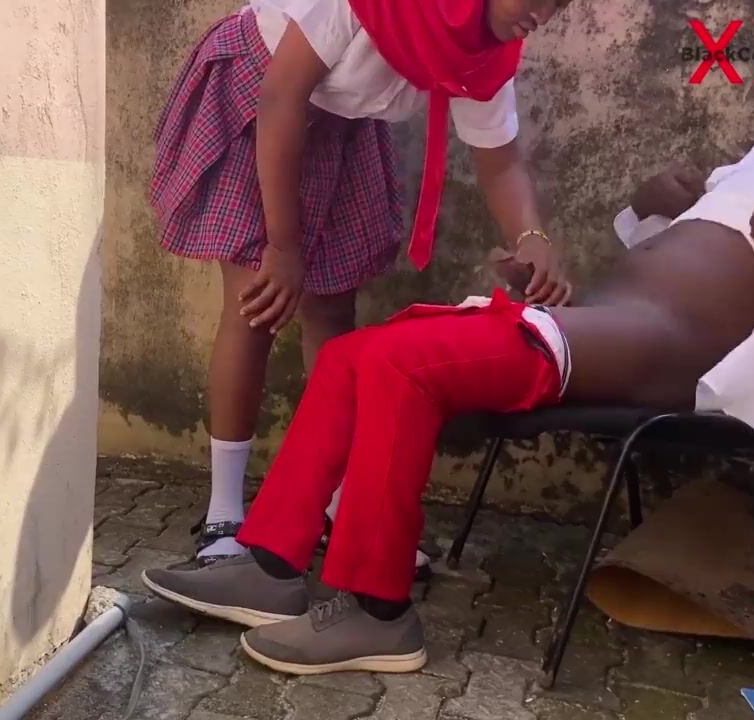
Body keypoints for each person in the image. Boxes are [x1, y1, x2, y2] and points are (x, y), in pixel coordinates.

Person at [140, 0, 754, 676]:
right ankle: (271, 563)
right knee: (347, 356)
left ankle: (377, 612)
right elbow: (675, 256)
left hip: (677, 354)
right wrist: (647, 211)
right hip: (607, 323)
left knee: (403, 363)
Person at [151, 0, 576, 570]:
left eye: (560, 4)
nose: (545, 15)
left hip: (342, 124)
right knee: (258, 303)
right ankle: (224, 512)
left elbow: (500, 161)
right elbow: (281, 96)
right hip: (263, 96)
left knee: (332, 313)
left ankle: (332, 506)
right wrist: (284, 247)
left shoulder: (483, 51)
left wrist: (532, 237)